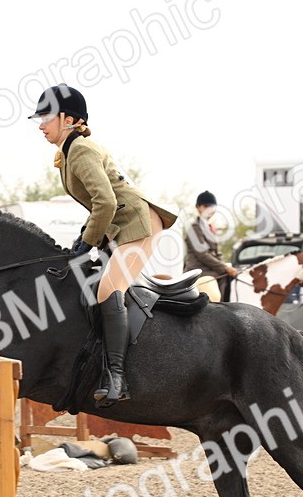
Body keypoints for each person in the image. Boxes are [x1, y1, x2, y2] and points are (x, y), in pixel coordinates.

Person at [29, 84, 179, 406]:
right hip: (118, 226)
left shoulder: (81, 149)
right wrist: (85, 237)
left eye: (46, 117)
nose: (40, 124)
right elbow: (100, 203)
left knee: (108, 290)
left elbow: (106, 202)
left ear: (68, 119)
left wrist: (88, 242)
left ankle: (117, 377)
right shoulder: (71, 151)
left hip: (137, 224)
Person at [184, 191, 239, 302]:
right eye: (206, 206)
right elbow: (203, 254)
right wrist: (224, 268)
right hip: (200, 271)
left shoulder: (209, 227)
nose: (210, 209)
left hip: (212, 270)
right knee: (214, 297)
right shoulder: (194, 227)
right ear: (198, 207)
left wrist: (226, 266)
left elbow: (217, 253)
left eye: (212, 207)